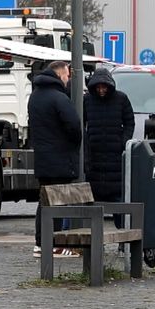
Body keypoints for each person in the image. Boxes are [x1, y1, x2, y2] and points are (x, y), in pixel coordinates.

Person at [28, 61, 83, 258]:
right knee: (57, 202)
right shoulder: (59, 98)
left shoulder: (35, 96)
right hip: (60, 158)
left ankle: (40, 243)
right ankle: (55, 244)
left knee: (44, 202)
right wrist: (74, 145)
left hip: (43, 159)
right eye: (67, 75)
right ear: (60, 75)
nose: (68, 80)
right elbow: (74, 125)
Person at [83, 68, 135, 227]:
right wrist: (86, 144)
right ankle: (94, 237)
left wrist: (123, 141)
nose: (101, 90)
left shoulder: (121, 99)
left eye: (103, 87)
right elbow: (80, 123)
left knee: (118, 200)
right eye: (98, 87)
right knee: (93, 201)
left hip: (115, 155)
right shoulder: (87, 100)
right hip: (95, 155)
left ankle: (122, 236)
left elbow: (129, 122)